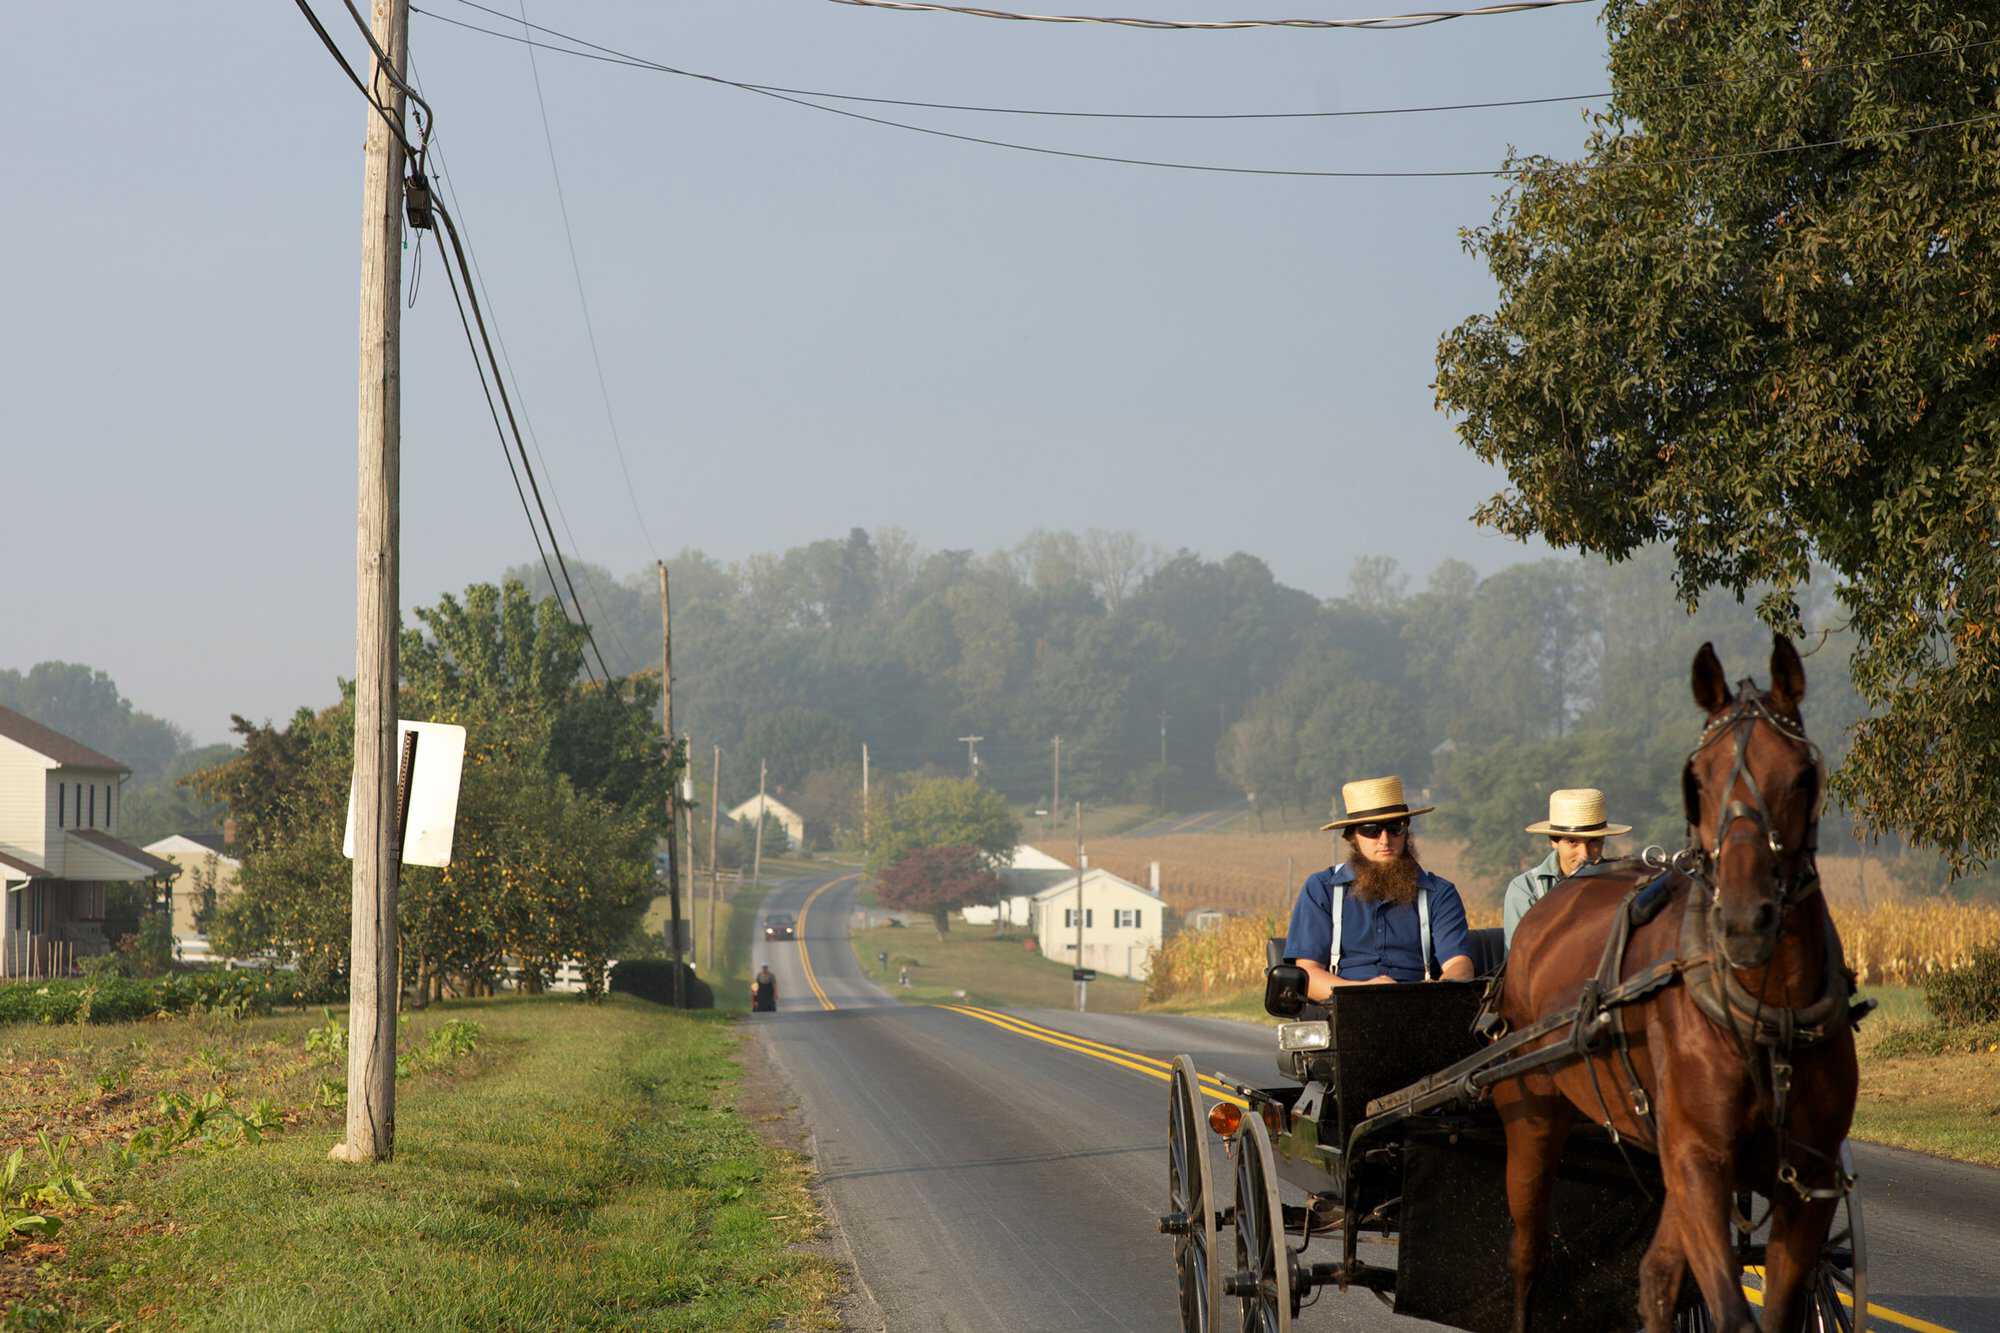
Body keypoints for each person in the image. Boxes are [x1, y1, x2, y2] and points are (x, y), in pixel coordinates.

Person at [1282, 776, 1474, 1001]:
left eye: (1394, 828)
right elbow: (1308, 975)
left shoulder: (1439, 893)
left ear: (1406, 832)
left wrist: (1440, 990)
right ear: (1352, 836)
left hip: (1419, 1004)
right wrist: (1363, 991)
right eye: (1370, 830)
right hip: (1342, 1006)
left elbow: (1459, 964)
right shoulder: (1321, 889)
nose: (1384, 840)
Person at [1502, 788, 1632, 951]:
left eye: (1594, 842)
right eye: (1573, 842)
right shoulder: (1526, 889)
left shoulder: (1621, 885)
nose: (1584, 855)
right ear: (1553, 841)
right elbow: (1520, 959)